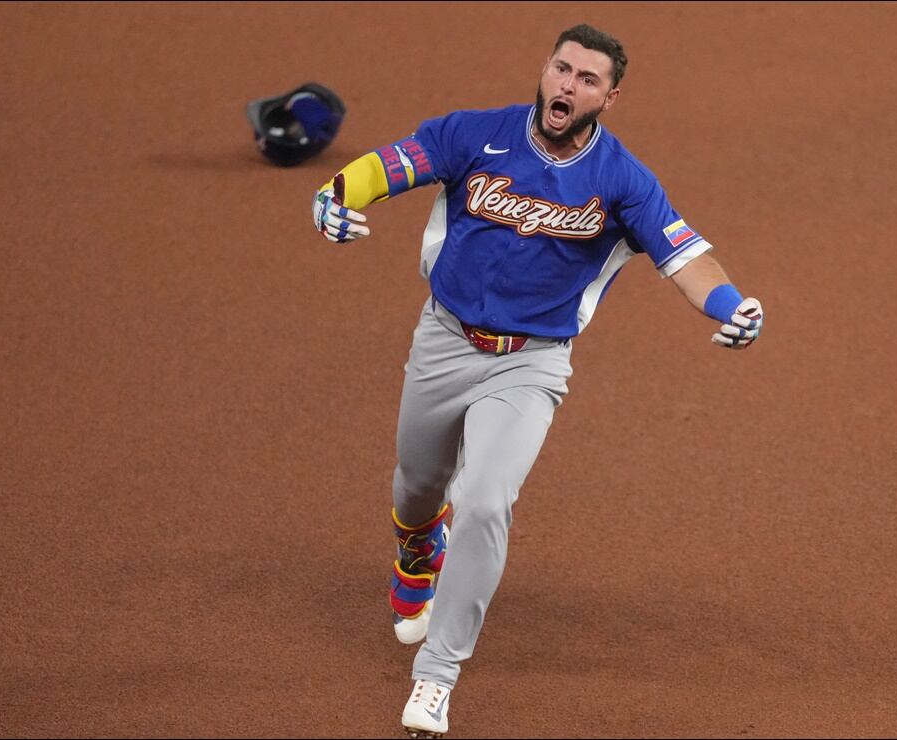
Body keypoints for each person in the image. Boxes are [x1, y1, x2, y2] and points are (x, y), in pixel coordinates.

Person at [311, 24, 763, 739]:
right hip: (444, 340)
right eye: (561, 69)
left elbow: (684, 254)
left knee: (485, 501)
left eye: (587, 79)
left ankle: (437, 675)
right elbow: (390, 165)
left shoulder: (622, 180)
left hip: (532, 362)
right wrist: (337, 194)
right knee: (417, 486)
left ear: (609, 98)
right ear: (545, 70)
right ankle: (418, 550)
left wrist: (730, 305)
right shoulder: (473, 134)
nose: (567, 85)